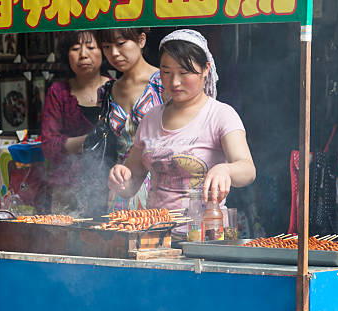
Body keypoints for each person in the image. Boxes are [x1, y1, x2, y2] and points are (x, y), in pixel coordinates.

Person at [108, 29, 255, 213]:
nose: (174, 82)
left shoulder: (221, 114)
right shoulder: (151, 118)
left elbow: (248, 170)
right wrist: (119, 177)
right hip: (156, 233)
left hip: (204, 234)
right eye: (166, 72)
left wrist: (226, 170)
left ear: (205, 69)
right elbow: (130, 184)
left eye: (184, 72)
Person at [41, 30, 112, 216]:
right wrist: (90, 141)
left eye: (90, 47)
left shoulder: (116, 89)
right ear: (67, 54)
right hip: (67, 190)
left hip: (111, 188)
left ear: (104, 51)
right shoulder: (58, 92)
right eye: (75, 48)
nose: (83, 55)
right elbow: (49, 145)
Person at [95, 28, 164, 211]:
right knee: (119, 236)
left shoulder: (164, 82)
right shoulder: (106, 91)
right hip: (121, 184)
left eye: (121, 44)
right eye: (107, 47)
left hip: (160, 184)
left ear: (141, 40)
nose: (114, 53)